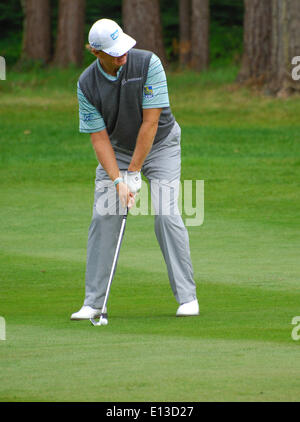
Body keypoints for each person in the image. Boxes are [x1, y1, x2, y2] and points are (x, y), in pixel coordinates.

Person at [71, 18, 199, 320]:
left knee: (166, 214)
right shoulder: (86, 85)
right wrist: (119, 180)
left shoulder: (148, 64)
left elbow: (151, 122)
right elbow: (99, 138)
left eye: (123, 48)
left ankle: (187, 297)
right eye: (114, 52)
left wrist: (134, 172)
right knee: (104, 216)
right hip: (117, 149)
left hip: (161, 144)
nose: (122, 55)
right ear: (95, 52)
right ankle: (94, 303)